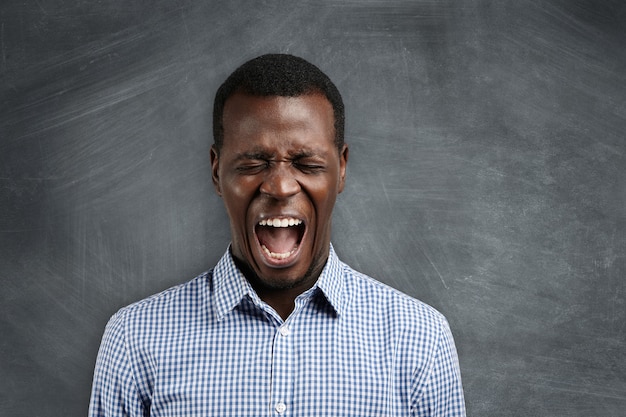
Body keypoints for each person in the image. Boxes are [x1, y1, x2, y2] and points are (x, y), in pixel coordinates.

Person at [88, 53, 466, 416]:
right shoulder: (135, 338)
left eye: (306, 163)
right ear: (217, 171)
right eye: (254, 163)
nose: (281, 187)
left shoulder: (420, 339)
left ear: (342, 169)